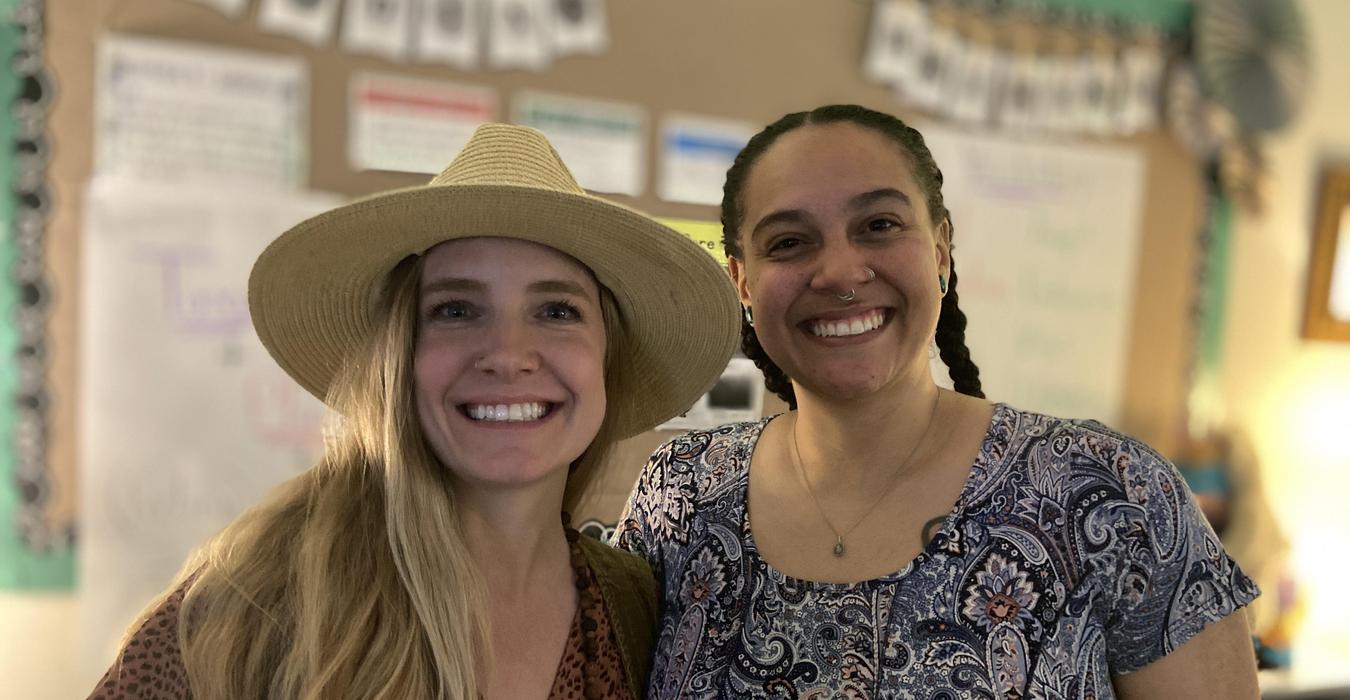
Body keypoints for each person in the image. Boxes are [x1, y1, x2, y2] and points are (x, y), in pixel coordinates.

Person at [613, 105, 1261, 698]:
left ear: (941, 251)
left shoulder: (1111, 495)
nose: (839, 271)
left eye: (879, 225)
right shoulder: (681, 499)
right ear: (743, 282)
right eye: (789, 241)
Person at [88, 123, 740, 699]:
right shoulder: (256, 599)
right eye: (456, 310)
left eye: (557, 311)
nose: (508, 355)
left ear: (607, 359)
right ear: (401, 355)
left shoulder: (639, 610)